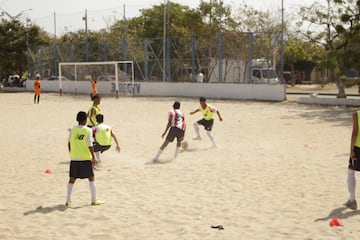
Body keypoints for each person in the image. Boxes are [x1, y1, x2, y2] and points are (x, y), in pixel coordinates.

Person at [66, 111, 104, 206]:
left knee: (72, 179)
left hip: (74, 158)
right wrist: (93, 157)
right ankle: (94, 200)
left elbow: (69, 143)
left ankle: (68, 200)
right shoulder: (88, 130)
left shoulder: (73, 130)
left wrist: (71, 153)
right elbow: (90, 145)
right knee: (91, 178)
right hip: (85, 158)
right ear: (85, 120)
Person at [345, 110, 360, 210]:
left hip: (358, 147)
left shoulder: (357, 114)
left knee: (351, 171)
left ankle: (352, 200)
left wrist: (351, 150)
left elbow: (355, 133)